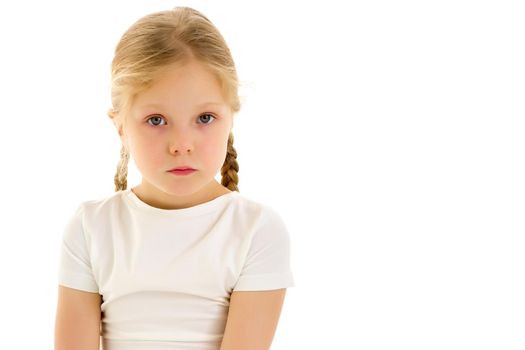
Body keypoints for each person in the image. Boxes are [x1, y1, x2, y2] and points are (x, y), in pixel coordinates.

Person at [54, 6, 294, 350]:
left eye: (205, 117)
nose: (182, 145)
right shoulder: (91, 227)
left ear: (231, 118)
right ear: (120, 125)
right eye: (156, 120)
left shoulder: (256, 229)